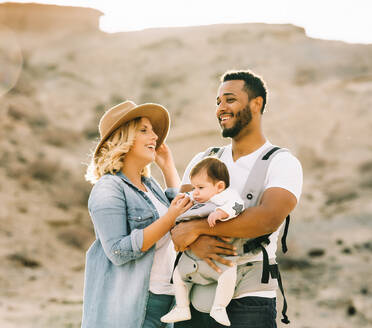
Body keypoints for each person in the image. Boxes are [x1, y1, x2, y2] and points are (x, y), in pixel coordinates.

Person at [171, 70, 303, 328]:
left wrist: (197, 228)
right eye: (218, 102)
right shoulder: (203, 159)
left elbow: (266, 219)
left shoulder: (282, 162)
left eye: (229, 100)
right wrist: (192, 242)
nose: (221, 108)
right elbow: (176, 215)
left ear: (257, 103)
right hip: (197, 291)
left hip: (249, 298)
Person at [81, 100, 193, 328]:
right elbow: (117, 251)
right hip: (134, 309)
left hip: (167, 304)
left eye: (153, 131)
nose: (154, 137)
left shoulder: (150, 186)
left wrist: (168, 167)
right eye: (144, 130)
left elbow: (183, 217)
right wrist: (169, 218)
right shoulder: (108, 187)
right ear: (123, 139)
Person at [161, 157, 246, 326]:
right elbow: (184, 200)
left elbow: (238, 205)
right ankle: (182, 307)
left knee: (229, 273)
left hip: (217, 260)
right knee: (178, 275)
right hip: (191, 258)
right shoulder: (196, 198)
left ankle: (219, 307)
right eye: (194, 187)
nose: (196, 192)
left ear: (219, 187)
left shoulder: (226, 197)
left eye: (200, 187)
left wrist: (221, 213)